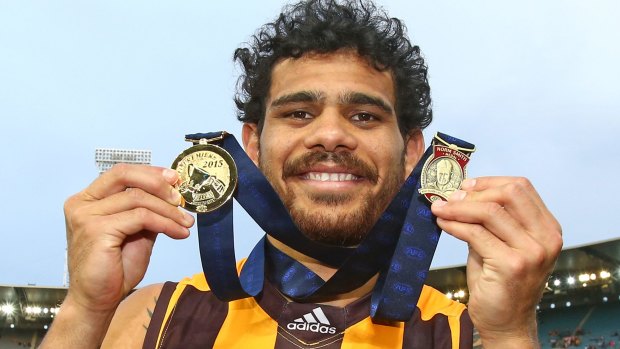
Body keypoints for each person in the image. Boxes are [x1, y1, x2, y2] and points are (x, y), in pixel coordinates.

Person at [40, 0, 562, 348]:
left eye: (365, 116)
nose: (330, 135)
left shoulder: (466, 332)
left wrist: (513, 333)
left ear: (412, 152)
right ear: (251, 145)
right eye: (298, 113)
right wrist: (85, 309)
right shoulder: (156, 317)